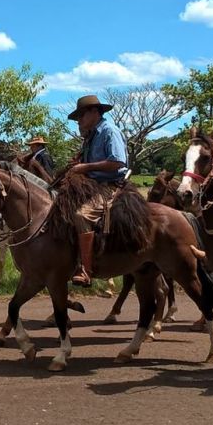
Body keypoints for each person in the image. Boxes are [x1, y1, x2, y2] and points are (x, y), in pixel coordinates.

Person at [66, 95, 128, 287]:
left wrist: (85, 168)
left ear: (94, 112)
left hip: (109, 185)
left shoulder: (109, 131)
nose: (79, 120)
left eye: (81, 115)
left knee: (81, 216)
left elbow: (118, 162)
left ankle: (86, 269)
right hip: (92, 184)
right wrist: (80, 164)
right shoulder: (92, 135)